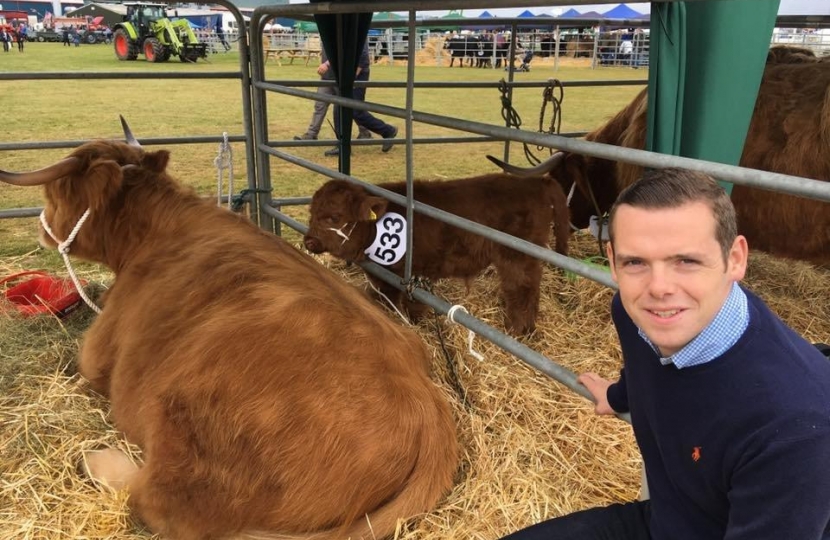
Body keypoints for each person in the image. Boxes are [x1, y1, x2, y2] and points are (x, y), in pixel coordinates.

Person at [501, 168, 830, 540]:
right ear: (612, 261)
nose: (658, 288)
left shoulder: (795, 430)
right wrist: (617, 395)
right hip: (666, 520)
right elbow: (645, 367)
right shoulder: (632, 314)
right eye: (635, 262)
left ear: (735, 258)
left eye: (686, 261)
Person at [323, 40, 398, 157]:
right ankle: (342, 145)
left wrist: (352, 78)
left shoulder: (356, 29)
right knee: (338, 108)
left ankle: (388, 131)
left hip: (357, 75)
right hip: (347, 74)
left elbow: (362, 58)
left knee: (356, 111)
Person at [294, 47, 372, 143]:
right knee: (319, 105)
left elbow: (342, 52)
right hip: (327, 77)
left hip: (340, 77)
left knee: (350, 107)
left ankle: (364, 131)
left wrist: (327, 64)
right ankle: (311, 134)